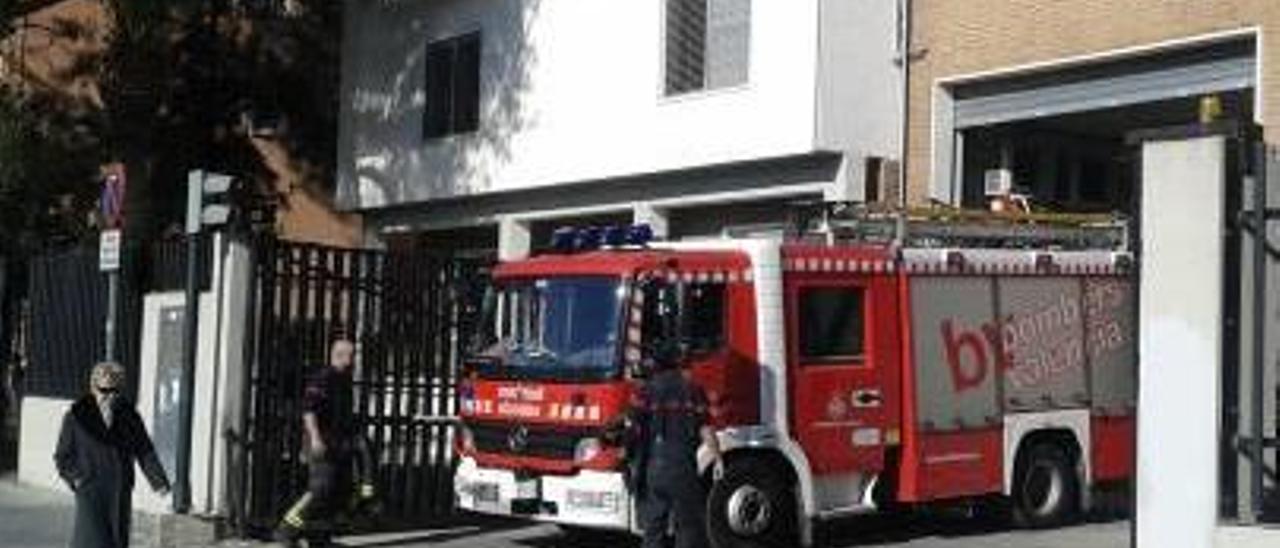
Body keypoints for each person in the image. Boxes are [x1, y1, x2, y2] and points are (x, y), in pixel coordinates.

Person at [54, 361, 170, 548]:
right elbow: (62, 456)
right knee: (91, 540)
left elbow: (144, 449)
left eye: (114, 391)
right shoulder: (76, 415)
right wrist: (76, 478)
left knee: (116, 540)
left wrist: (158, 481)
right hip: (90, 488)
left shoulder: (130, 415)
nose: (108, 396)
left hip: (119, 489)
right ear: (93, 387)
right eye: (103, 390)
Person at [275, 338, 375, 547]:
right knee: (320, 488)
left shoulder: (344, 380)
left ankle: (319, 536)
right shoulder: (323, 378)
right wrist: (315, 438)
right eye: (352, 355)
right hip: (321, 443)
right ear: (341, 355)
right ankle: (286, 529)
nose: (355, 359)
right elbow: (309, 409)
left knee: (336, 491)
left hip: (338, 444)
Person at [627, 343, 724, 548]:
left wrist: (628, 461)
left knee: (653, 529)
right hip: (684, 467)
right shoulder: (693, 390)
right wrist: (718, 459)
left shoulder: (644, 391)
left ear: (655, 364)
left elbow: (633, 430)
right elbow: (706, 428)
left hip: (654, 468)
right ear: (677, 362)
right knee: (688, 528)